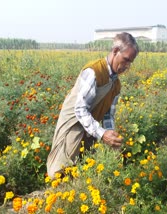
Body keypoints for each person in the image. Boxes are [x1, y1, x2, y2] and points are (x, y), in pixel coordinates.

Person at [47, 32, 139, 178]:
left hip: (91, 125)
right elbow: (80, 109)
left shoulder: (116, 84)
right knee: (59, 172)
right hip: (73, 123)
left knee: (87, 169)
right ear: (115, 51)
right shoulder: (94, 71)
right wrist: (102, 134)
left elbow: (109, 114)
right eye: (126, 59)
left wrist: (110, 134)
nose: (127, 66)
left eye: (130, 62)